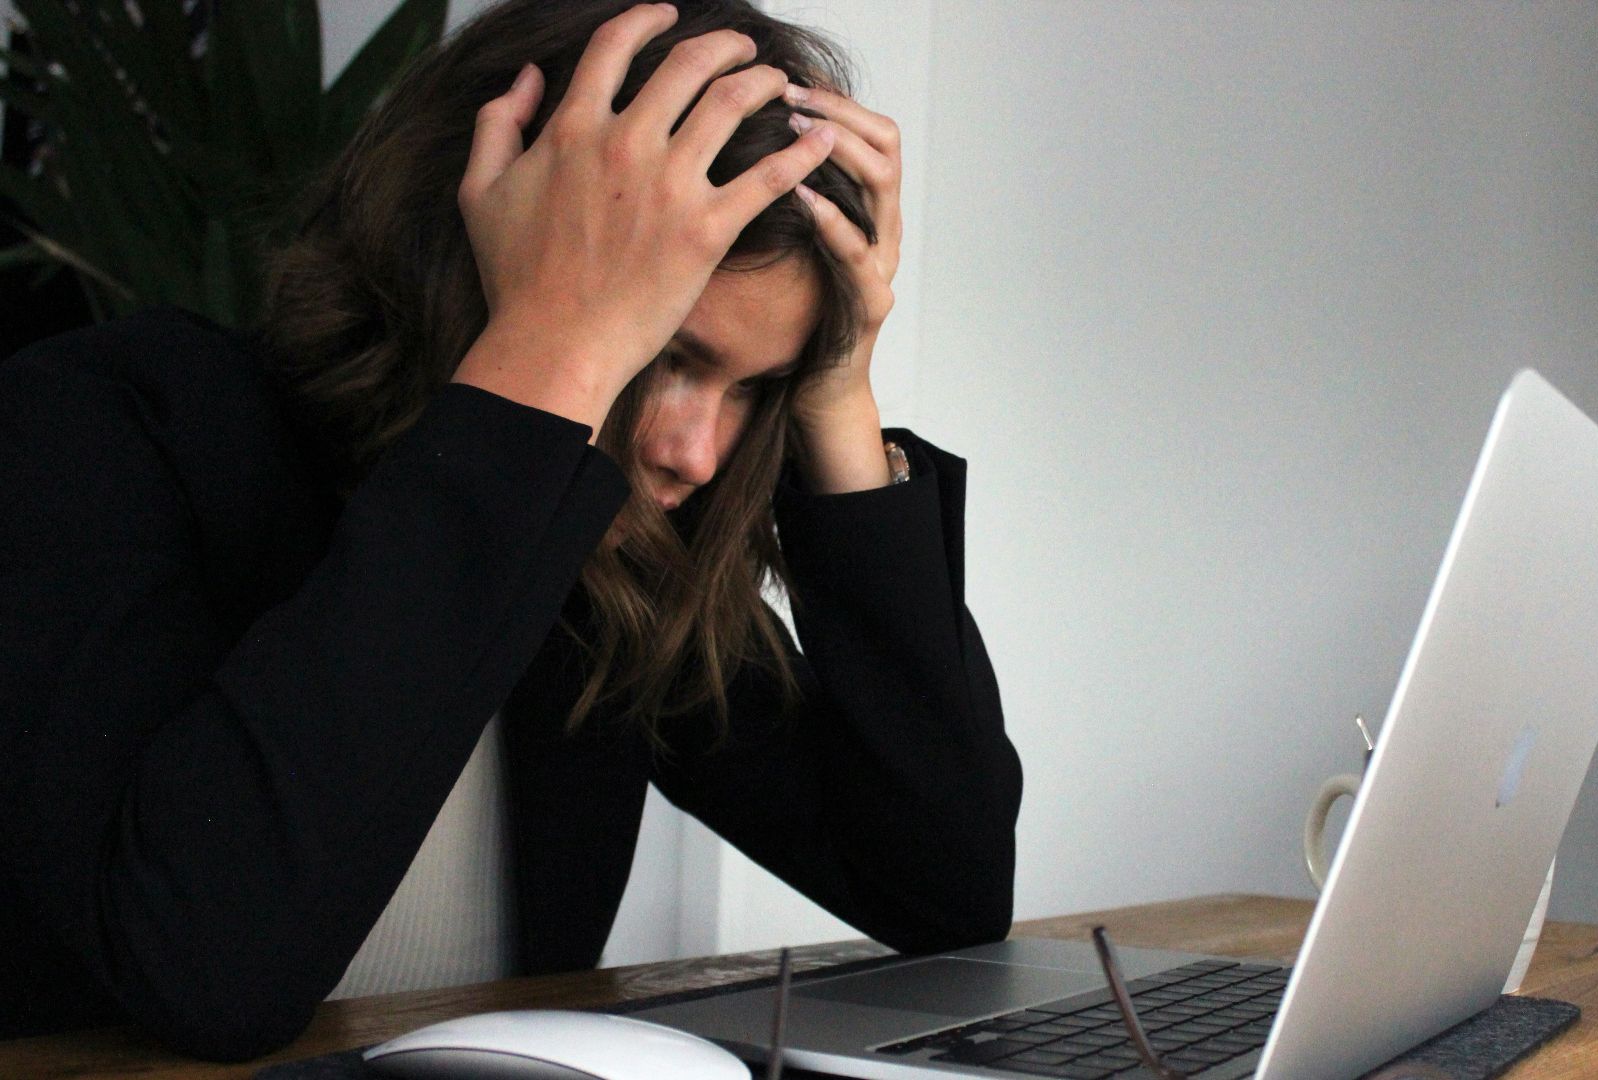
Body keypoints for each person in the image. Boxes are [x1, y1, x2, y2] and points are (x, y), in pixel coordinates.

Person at [0, 0, 1020, 1061]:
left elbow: (942, 888)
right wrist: (551, 353)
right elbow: (206, 974)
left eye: (752, 389)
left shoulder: (603, 558)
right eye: (664, 352)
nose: (694, 454)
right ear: (471, 250)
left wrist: (835, 395)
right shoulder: (95, 429)